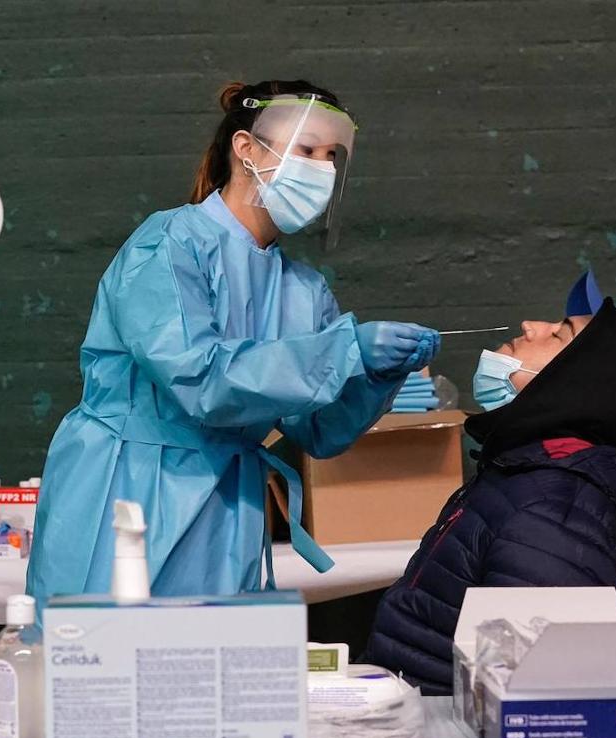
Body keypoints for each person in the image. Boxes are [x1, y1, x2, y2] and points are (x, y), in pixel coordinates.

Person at [26, 79, 441, 601]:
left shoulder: (304, 290)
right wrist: (344, 351)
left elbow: (319, 429)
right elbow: (199, 378)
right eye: (307, 150)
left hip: (229, 509)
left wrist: (375, 374)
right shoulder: (168, 244)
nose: (322, 169)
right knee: (103, 659)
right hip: (130, 490)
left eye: (332, 155)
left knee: (213, 665)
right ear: (246, 149)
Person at [360, 271, 616, 694]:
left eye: (559, 334)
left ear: (577, 385)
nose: (531, 325)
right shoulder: (521, 475)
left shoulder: (554, 510)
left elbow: (525, 693)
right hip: (414, 715)